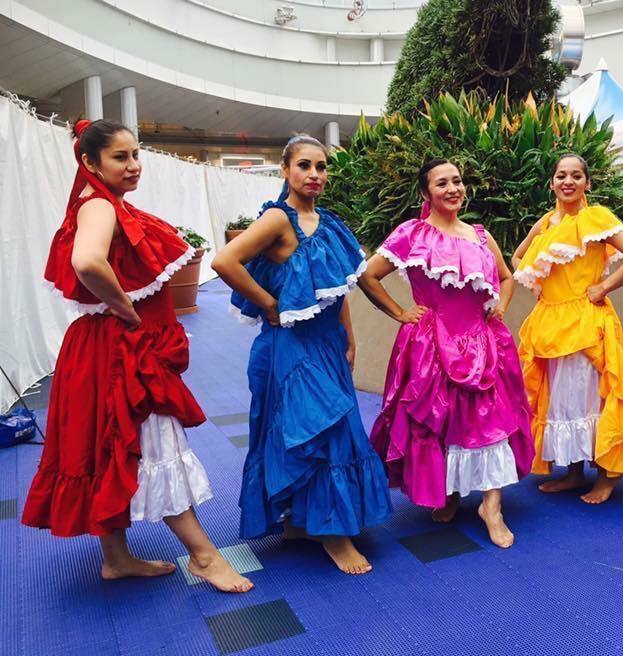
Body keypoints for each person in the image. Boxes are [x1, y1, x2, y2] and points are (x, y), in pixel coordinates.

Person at [22, 119, 252, 593]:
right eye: (120, 157)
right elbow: (87, 261)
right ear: (90, 163)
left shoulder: (98, 203)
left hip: (101, 350)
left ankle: (116, 559)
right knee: (154, 443)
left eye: (135, 155)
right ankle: (204, 557)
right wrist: (126, 308)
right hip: (118, 353)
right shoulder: (99, 206)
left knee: (105, 447)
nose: (133, 165)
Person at [212, 134, 391, 575]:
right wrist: (269, 304)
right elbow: (224, 262)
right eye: (305, 165)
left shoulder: (330, 223)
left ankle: (301, 519)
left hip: (327, 342)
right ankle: (333, 535)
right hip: (290, 347)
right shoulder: (277, 219)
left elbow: (337, 288)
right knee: (320, 429)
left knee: (317, 428)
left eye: (321, 167)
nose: (314, 174)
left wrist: (351, 338)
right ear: (285, 170)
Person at [359, 159, 534, 548]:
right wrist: (400, 312)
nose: (453, 188)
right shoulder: (411, 234)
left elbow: (506, 278)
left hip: (482, 341)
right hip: (431, 344)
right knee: (441, 419)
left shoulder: (480, 235)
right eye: (442, 183)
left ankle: (492, 507)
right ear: (426, 193)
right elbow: (367, 275)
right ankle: (450, 491)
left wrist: (501, 307)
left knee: (489, 421)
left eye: (457, 181)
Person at [513, 154, 623, 504]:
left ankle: (607, 476)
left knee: (594, 396)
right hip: (550, 323)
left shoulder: (597, 218)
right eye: (561, 175)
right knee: (563, 399)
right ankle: (574, 473)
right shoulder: (545, 222)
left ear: (587, 183)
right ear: (552, 183)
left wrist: (604, 287)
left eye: (576, 175)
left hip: (587, 322)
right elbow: (517, 258)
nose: (568, 181)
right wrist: (536, 283)